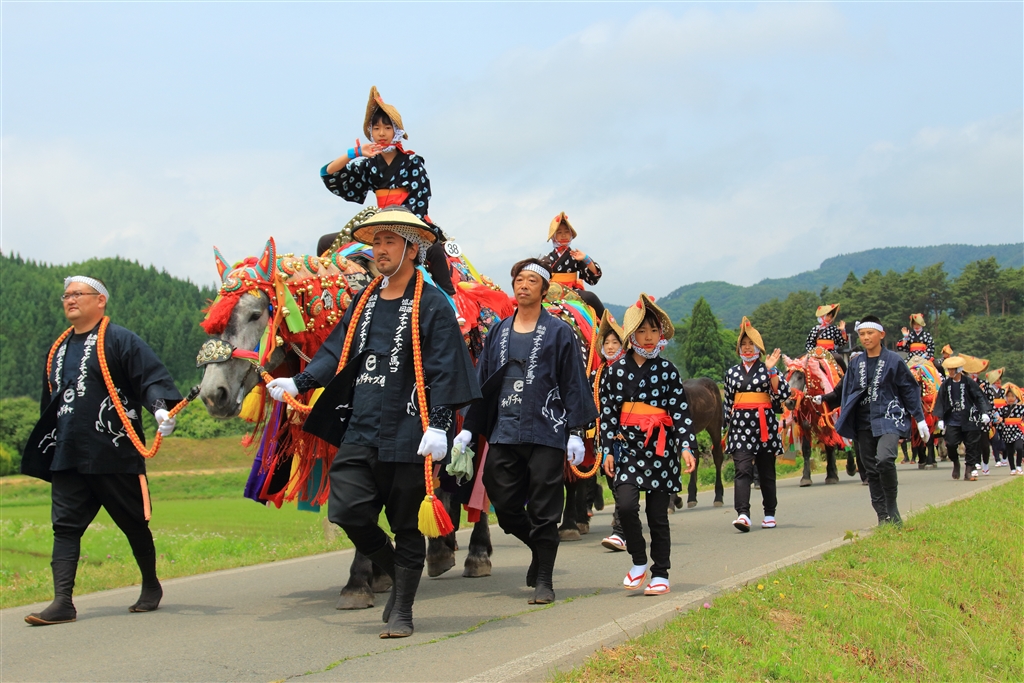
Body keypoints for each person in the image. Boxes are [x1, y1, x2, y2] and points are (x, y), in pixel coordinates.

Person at [267, 207, 480, 638]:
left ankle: (403, 611)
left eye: (390, 242)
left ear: (411, 249)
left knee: (406, 525)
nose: (380, 251)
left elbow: (445, 366)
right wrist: (300, 381)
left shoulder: (432, 302)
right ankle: (396, 572)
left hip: (410, 429)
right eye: (376, 243)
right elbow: (336, 350)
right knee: (346, 510)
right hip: (361, 425)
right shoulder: (364, 300)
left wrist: (439, 424)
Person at [21, 277, 181, 625]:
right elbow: (49, 405)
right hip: (68, 453)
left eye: (78, 294)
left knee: (134, 523)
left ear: (100, 300)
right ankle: (62, 602)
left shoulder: (121, 340)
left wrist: (160, 410)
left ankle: (151, 586)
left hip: (114, 450)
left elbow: (151, 378)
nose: (70, 300)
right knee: (65, 527)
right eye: (66, 295)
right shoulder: (57, 350)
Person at [456, 258, 596, 605]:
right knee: (502, 501)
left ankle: (544, 579)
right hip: (505, 429)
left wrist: (576, 430)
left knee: (545, 508)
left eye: (532, 280)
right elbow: (483, 381)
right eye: (519, 279)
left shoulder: (559, 332)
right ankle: (538, 546)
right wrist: (469, 429)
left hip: (546, 429)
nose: (523, 285)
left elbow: (573, 381)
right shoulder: (499, 331)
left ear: (544, 290)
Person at [599, 294, 696, 596]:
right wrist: (606, 450)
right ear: (632, 334)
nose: (650, 336)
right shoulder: (615, 371)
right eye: (642, 331)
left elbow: (680, 411)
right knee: (626, 506)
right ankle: (639, 559)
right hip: (628, 449)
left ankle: (661, 573)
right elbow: (608, 414)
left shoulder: (668, 370)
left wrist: (686, 446)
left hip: (660, 449)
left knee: (657, 516)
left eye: (654, 330)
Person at [317, 86, 454, 296]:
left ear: (396, 131)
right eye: (376, 128)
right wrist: (355, 153)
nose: (381, 133)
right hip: (378, 222)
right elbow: (330, 173)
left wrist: (397, 223)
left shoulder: (412, 162)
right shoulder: (369, 164)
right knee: (325, 243)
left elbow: (420, 200)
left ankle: (449, 299)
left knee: (434, 249)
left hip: (410, 221)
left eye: (387, 128)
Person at [833, 316, 927, 526]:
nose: (866, 338)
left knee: (884, 460)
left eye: (870, 333)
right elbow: (845, 392)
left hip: (889, 418)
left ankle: (892, 507)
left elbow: (909, 389)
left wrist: (919, 418)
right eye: (862, 334)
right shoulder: (856, 363)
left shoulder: (894, 360)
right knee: (871, 471)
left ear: (881, 334)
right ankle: (882, 515)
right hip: (863, 422)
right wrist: (838, 414)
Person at [724, 318, 790, 532]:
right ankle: (743, 514)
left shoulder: (768, 369)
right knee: (742, 469)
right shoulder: (732, 373)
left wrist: (772, 372)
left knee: (766, 471)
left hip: (764, 426)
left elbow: (783, 393)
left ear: (759, 347)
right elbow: (728, 402)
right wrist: (726, 425)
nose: (747, 347)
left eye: (751, 344)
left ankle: (769, 513)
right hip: (740, 427)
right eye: (743, 344)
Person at [590, 310, 628, 552]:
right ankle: (624, 523)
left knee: (624, 483)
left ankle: (620, 530)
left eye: (615, 342)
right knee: (613, 481)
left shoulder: (630, 370)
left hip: (627, 437)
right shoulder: (596, 374)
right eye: (607, 343)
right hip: (604, 437)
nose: (611, 346)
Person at [934, 356, 991, 482]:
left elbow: (979, 397)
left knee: (971, 445)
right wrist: (941, 418)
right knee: (951, 444)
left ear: (959, 369)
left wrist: (984, 412)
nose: (950, 372)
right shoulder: (946, 384)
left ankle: (969, 470)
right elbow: (941, 401)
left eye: (952, 369)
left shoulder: (969, 382)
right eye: (949, 369)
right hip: (953, 419)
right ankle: (955, 462)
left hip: (969, 418)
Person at [542, 212, 605, 319]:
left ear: (571, 234)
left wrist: (586, 259)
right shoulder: (545, 259)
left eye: (567, 232)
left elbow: (593, 277)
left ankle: (608, 325)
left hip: (571, 291)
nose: (563, 235)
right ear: (553, 236)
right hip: (550, 293)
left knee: (591, 297)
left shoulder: (576, 256)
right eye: (559, 232)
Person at [994, 383, 1024, 475]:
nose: (1010, 398)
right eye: (1008, 396)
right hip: (1007, 432)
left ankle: (1018, 465)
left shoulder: (1021, 408)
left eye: (1012, 396)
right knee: (1010, 451)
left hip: (1018, 430)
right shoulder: (1002, 408)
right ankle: (1012, 468)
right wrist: (998, 419)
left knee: (1019, 448)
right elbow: (996, 416)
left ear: (1016, 397)